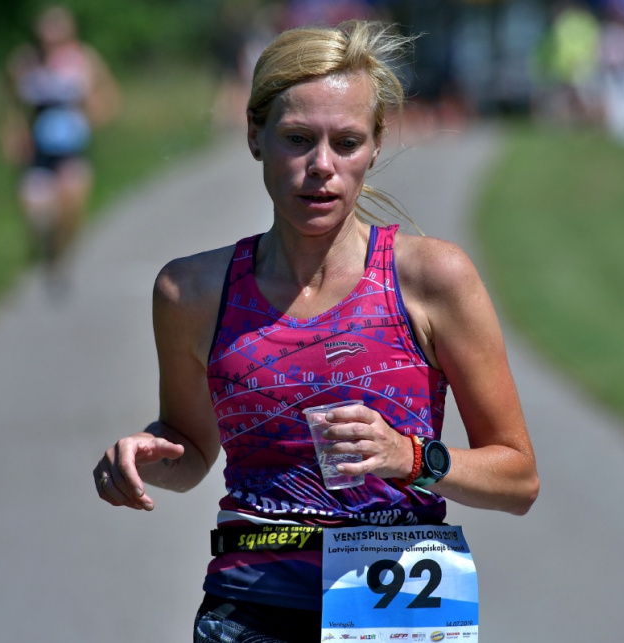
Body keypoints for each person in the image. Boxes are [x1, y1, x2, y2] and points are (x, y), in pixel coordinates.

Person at [93, 20, 538, 643]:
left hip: (397, 609)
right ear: (255, 135)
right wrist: (145, 457)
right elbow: (191, 452)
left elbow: (518, 479)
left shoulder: (432, 278)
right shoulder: (190, 292)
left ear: (376, 145)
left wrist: (409, 457)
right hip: (249, 604)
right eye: (298, 139)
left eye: (347, 142)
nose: (322, 166)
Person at [0, 6, 119, 273]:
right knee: (35, 212)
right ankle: (46, 248)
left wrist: (93, 115)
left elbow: (109, 94)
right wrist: (11, 133)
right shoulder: (24, 62)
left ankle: (62, 254)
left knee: (71, 205)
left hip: (73, 146)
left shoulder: (84, 59)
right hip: (37, 148)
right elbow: (9, 104)